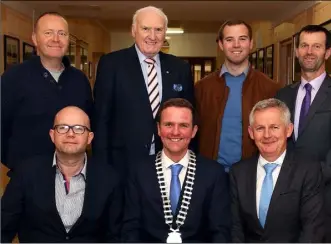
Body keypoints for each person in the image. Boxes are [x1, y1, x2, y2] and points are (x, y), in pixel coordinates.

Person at [275, 25, 331, 242]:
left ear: (328, 52)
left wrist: (309, 178)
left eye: (316, 46)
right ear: (297, 51)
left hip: (324, 198)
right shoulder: (283, 95)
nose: (309, 51)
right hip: (285, 198)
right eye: (304, 45)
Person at [92, 6, 194, 177]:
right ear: (133, 30)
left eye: (158, 30)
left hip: (169, 163)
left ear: (165, 33)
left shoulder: (180, 68)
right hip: (122, 165)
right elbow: (102, 119)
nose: (152, 36)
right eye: (146, 29)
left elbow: (190, 117)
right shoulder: (111, 64)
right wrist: (102, 167)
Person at [1, 106, 122, 243]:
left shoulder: (110, 178)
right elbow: (3, 228)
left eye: (78, 128)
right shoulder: (25, 173)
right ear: (52, 135)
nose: (70, 134)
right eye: (63, 128)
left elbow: (115, 236)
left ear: (89, 137)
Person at [121, 98, 230, 242]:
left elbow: (220, 231)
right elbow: (130, 228)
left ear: (194, 131)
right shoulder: (138, 171)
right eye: (169, 125)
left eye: (183, 125)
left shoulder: (213, 173)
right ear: (159, 129)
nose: (175, 132)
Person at [1, 12, 93, 174]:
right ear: (35, 39)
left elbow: (89, 125)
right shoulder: (13, 78)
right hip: (26, 177)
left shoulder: (80, 80)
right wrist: (16, 164)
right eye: (48, 33)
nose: (56, 39)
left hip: (74, 176)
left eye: (62, 34)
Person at [230, 98, 324, 242]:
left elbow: (311, 230)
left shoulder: (308, 171)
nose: (267, 135)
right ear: (251, 132)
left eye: (274, 127)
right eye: (260, 128)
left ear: (288, 130)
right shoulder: (238, 172)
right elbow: (235, 228)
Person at [195, 19, 281, 172]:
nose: (236, 45)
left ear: (251, 43)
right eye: (229, 39)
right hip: (211, 174)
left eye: (242, 39)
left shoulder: (270, 88)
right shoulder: (202, 88)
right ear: (221, 45)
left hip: (253, 175)